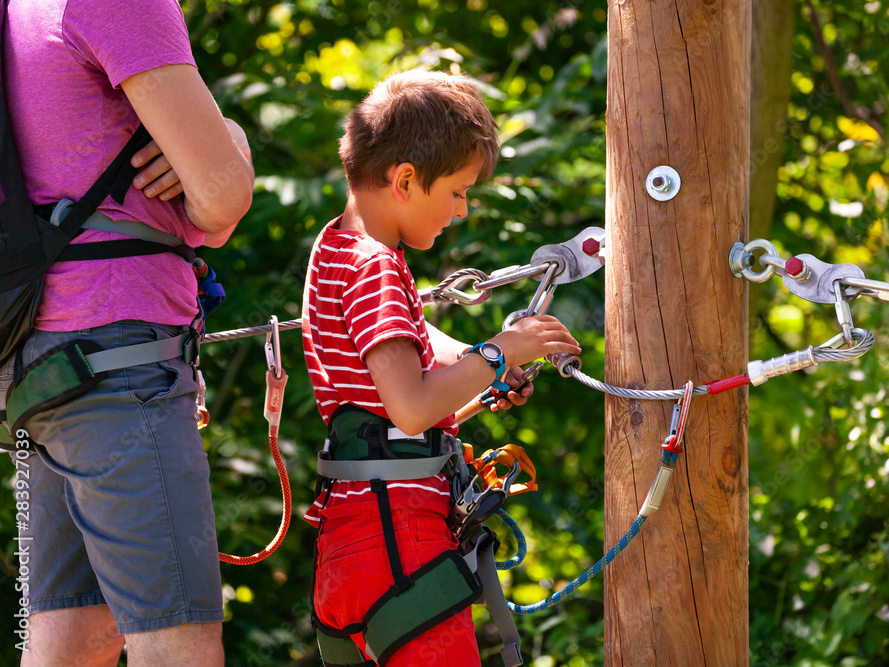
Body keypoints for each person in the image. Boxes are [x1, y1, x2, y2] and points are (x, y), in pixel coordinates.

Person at [1, 0, 254, 665]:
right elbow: (221, 199)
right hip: (120, 365)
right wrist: (231, 139)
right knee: (180, 645)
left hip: (33, 367)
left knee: (72, 641)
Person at [302, 69, 581, 666]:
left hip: (348, 546)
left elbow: (405, 356)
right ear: (405, 179)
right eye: (456, 191)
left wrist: (484, 367)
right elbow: (409, 405)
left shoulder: (336, 249)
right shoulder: (378, 267)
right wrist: (498, 353)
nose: (459, 210)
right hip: (397, 538)